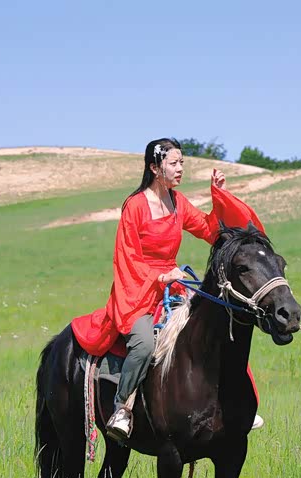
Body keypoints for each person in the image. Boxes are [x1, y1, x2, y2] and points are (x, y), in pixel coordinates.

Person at [71, 138, 265, 441]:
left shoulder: (178, 202)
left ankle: (237, 406)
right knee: (144, 343)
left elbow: (209, 230)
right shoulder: (135, 206)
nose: (180, 168)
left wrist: (220, 197)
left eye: (182, 163)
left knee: (218, 326)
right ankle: (122, 408)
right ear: (154, 167)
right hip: (136, 291)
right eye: (174, 163)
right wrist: (160, 275)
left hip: (172, 288)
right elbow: (127, 258)